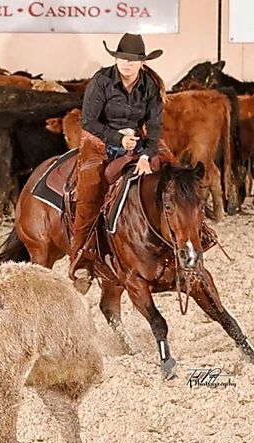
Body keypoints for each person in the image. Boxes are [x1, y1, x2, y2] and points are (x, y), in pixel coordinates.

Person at [68, 33, 175, 291]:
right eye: (122, 58)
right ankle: (81, 257)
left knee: (175, 171)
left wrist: (147, 155)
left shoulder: (150, 86)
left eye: (132, 60)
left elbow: (154, 125)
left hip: (139, 139)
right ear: (116, 59)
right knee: (90, 188)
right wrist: (118, 138)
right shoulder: (101, 80)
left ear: (142, 62)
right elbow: (89, 121)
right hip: (98, 140)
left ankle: (190, 237)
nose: (127, 63)